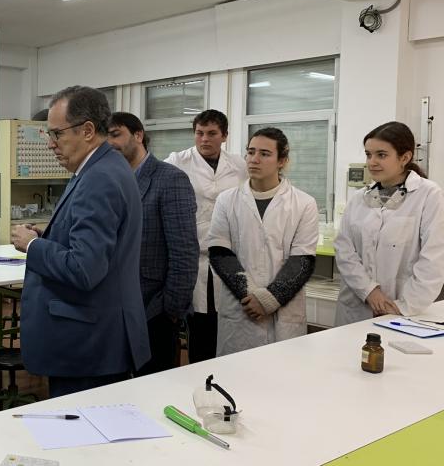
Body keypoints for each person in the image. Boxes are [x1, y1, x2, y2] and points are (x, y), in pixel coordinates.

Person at [11, 86, 150, 397]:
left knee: (81, 438)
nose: (50, 145)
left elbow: (84, 268)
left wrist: (32, 246)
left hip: (88, 346)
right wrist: (46, 237)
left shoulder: (98, 178)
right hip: (97, 337)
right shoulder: (104, 168)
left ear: (88, 131)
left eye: (57, 134)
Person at [207, 127, 318, 356]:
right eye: (251, 152)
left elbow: (302, 260)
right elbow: (220, 252)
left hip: (283, 312)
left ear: (282, 160)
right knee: (235, 381)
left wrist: (269, 299)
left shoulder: (304, 203)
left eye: (265, 154)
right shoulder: (227, 201)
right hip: (241, 309)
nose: (254, 159)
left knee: (281, 381)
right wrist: (251, 296)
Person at [106, 112, 198, 374]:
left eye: (116, 134)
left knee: (153, 390)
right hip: (115, 307)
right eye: (107, 137)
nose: (110, 143)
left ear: (138, 135)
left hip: (153, 310)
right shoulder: (111, 180)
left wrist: (170, 310)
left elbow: (184, 252)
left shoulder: (170, 179)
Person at [335, 122, 444, 325]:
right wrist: (370, 291)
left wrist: (402, 306)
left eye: (381, 155)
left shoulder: (428, 195)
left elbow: (433, 259)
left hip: (405, 311)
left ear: (405, 157)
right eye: (368, 154)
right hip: (357, 306)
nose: (372, 162)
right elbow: (344, 250)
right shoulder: (359, 198)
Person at [165, 109, 246, 362]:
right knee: (198, 328)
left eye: (212, 134)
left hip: (228, 257)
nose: (204, 139)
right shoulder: (177, 162)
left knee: (229, 324)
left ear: (225, 136)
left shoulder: (239, 166)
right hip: (193, 257)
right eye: (199, 133)